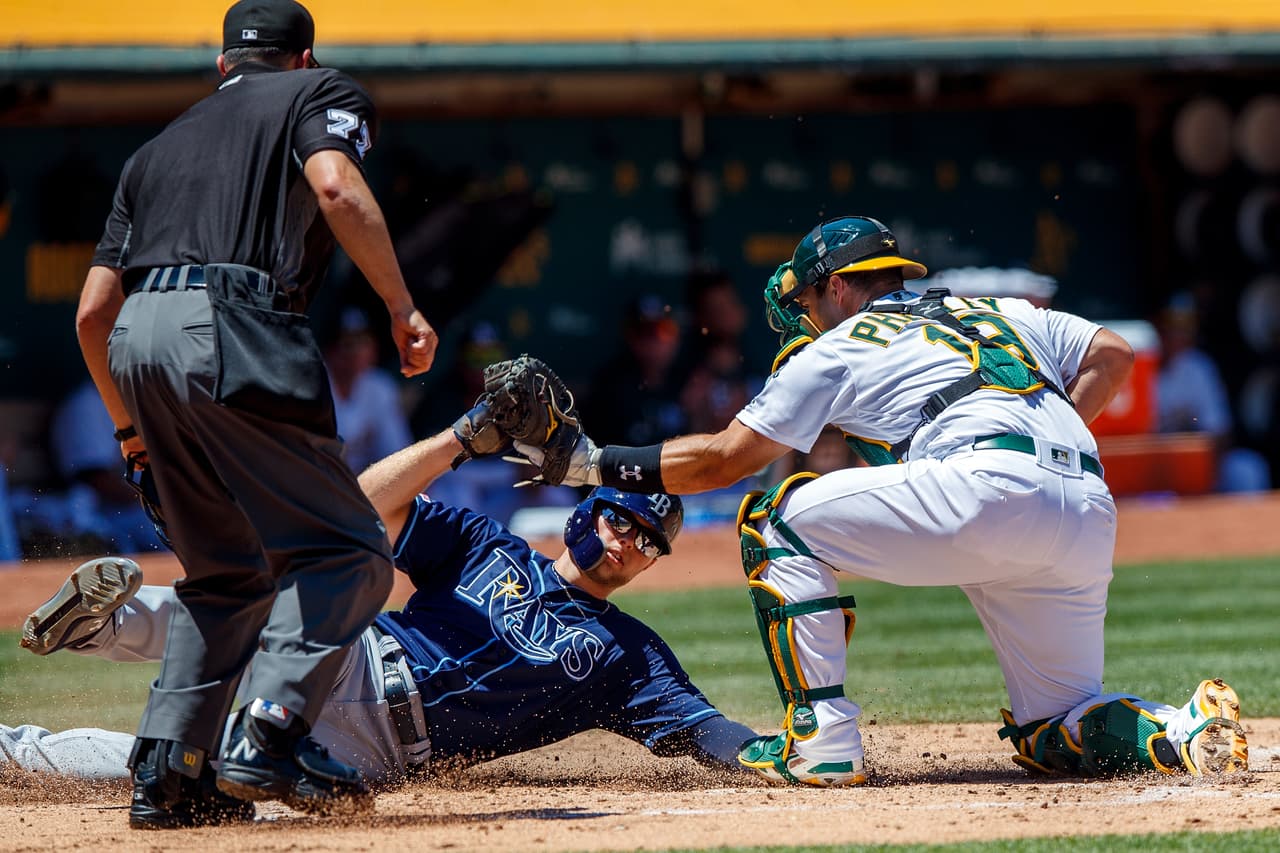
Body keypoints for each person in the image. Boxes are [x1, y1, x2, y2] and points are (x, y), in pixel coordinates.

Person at [511, 215, 1250, 786]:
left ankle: (821, 738)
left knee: (775, 519)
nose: (804, 313)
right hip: (1085, 501)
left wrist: (585, 463)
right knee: (1052, 729)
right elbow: (1112, 355)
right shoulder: (995, 308)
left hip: (984, 487)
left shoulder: (843, 341)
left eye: (807, 296)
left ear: (838, 285)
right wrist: (1038, 439)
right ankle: (1179, 730)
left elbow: (721, 460)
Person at [71, 0, 437, 828]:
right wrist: (400, 306)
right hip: (233, 326)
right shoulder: (318, 93)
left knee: (226, 575)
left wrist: (130, 429)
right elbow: (337, 185)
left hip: (138, 344)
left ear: (222, 65)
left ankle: (167, 774)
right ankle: (268, 730)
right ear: (302, 59)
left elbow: (93, 313)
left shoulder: (154, 149)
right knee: (347, 550)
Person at [8, 423, 757, 794]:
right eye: (619, 520)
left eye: (649, 540)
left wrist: (783, 751)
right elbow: (364, 506)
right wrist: (460, 438)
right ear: (583, 512)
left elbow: (705, 728)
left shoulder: (629, 653)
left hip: (387, 756)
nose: (628, 542)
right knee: (260, 617)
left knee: (192, 775)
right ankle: (107, 621)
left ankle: (14, 750)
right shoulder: (481, 542)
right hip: (363, 656)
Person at [582, 294, 687, 448]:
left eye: (665, 331)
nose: (655, 341)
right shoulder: (610, 386)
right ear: (629, 337)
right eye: (644, 332)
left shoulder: (690, 380)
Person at [324, 306, 414, 474]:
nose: (355, 352)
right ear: (331, 349)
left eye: (362, 342)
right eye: (347, 343)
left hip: (365, 482)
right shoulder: (314, 382)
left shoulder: (381, 387)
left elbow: (396, 452)